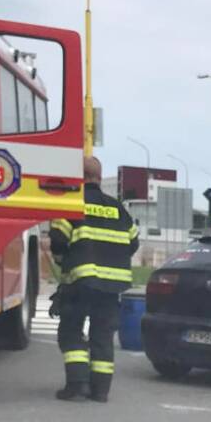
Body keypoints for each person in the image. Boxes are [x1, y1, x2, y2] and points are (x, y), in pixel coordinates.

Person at [50, 156, 139, 402]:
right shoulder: (119, 208)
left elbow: (58, 239)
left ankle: (77, 385)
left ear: (79, 176)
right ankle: (100, 390)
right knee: (102, 336)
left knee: (71, 331)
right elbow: (133, 242)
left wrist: (63, 258)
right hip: (113, 286)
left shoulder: (72, 205)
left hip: (81, 282)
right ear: (99, 177)